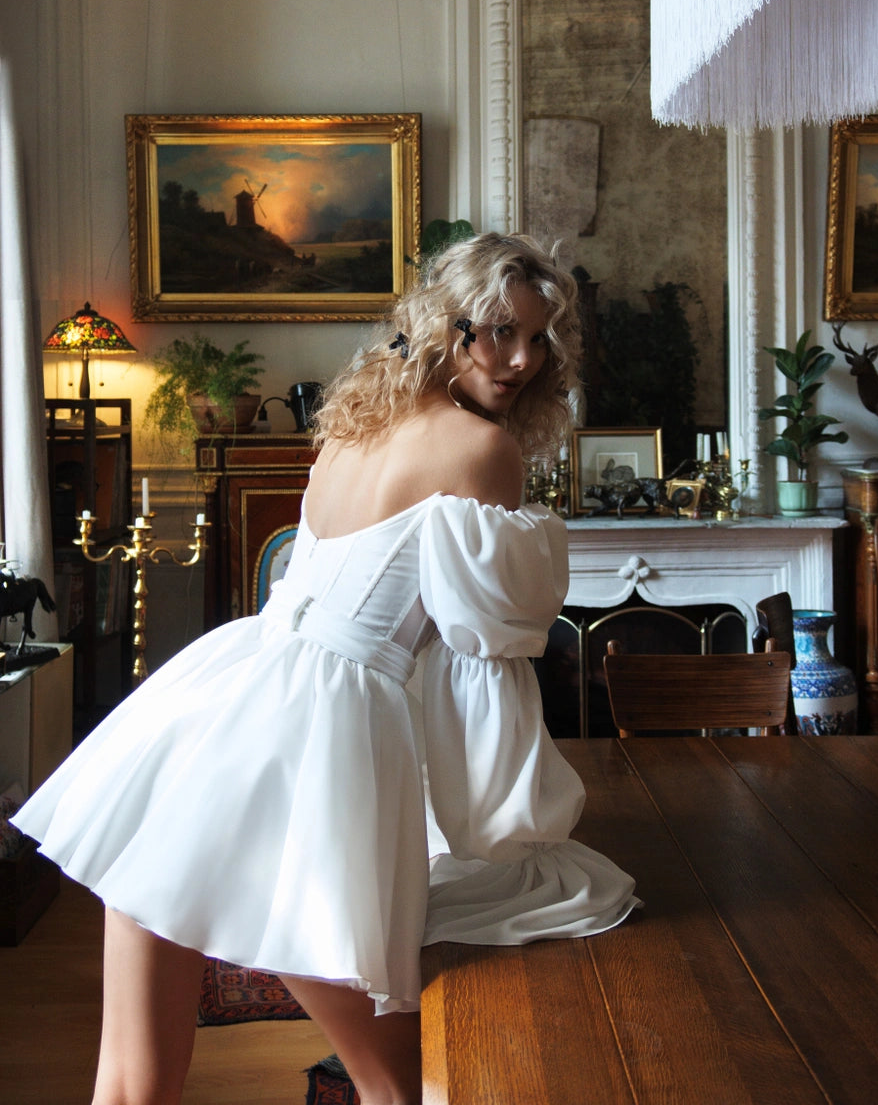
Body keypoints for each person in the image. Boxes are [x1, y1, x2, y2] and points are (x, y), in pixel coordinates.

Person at [13, 232, 640, 1105]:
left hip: (216, 699)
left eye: (538, 339)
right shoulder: (483, 453)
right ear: (442, 325)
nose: (523, 360)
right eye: (498, 331)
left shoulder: (355, 424)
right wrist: (505, 818)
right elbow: (483, 657)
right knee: (403, 1084)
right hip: (321, 726)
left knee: (129, 1080)